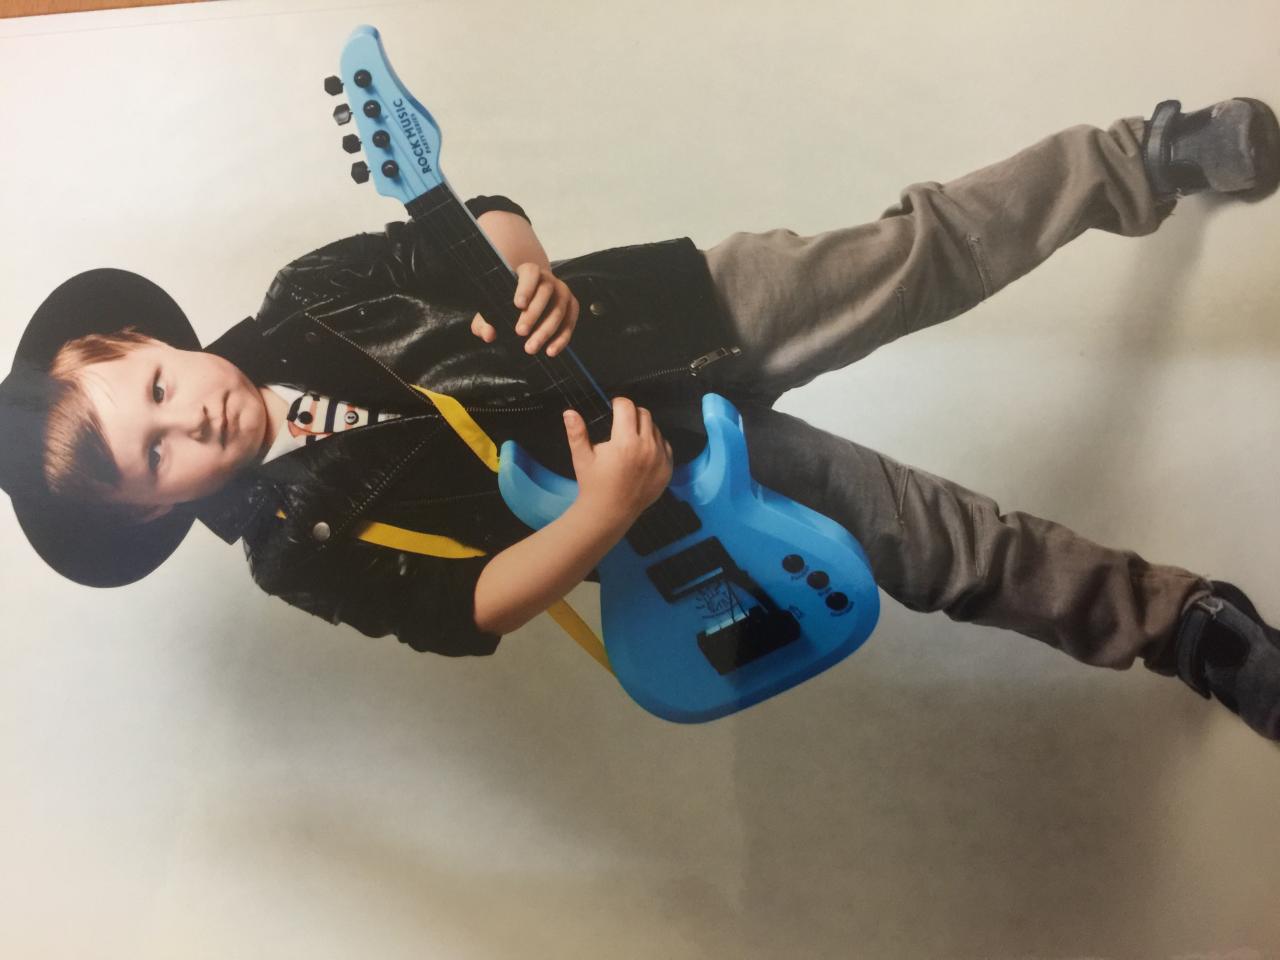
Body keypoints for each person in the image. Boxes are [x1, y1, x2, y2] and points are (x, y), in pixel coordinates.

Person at [3, 99, 1278, 739]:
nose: (189, 424)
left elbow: (473, 223)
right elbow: (468, 608)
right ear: (157, 515)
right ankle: (1175, 626)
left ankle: (1137, 158)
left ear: (139, 341)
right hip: (673, 493)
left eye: (155, 392)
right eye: (154, 460)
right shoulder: (293, 548)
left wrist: (524, 262)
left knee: (916, 251)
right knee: (929, 543)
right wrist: (605, 511)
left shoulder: (307, 295)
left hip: (677, 315)